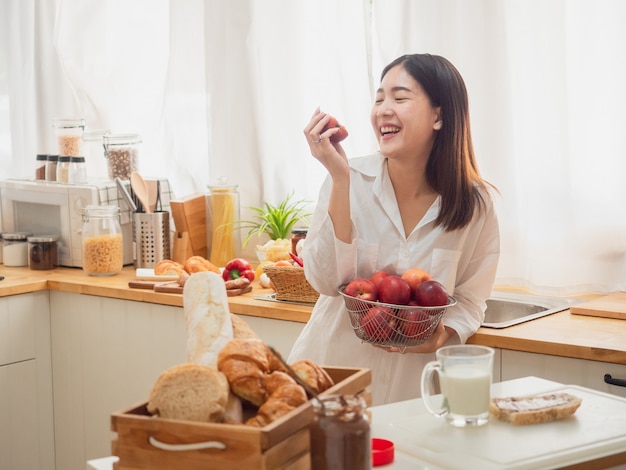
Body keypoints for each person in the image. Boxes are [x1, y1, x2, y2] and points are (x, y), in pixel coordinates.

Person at [287, 53, 500, 405]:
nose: (383, 109)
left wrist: (442, 335)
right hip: (332, 385)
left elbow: (472, 299)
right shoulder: (348, 177)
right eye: (379, 98)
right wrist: (340, 180)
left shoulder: (475, 204)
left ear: (439, 115)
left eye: (400, 98)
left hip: (413, 396)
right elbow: (324, 281)